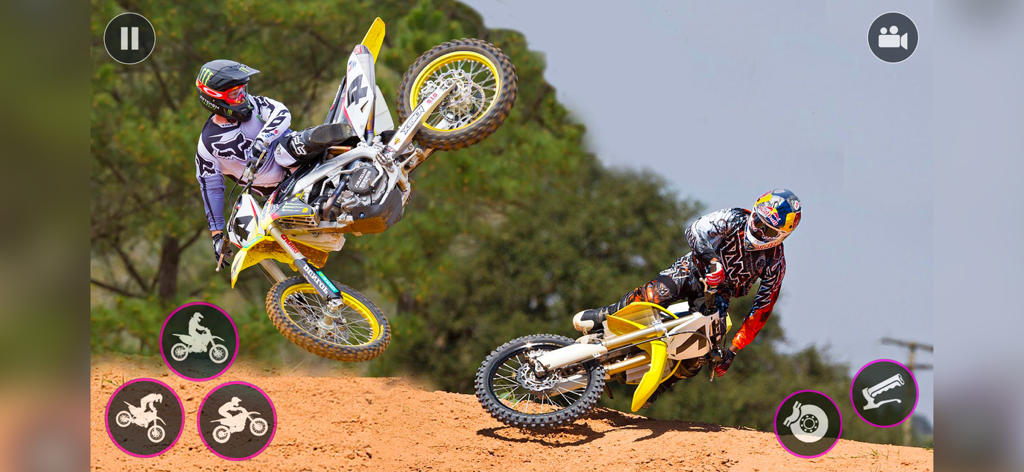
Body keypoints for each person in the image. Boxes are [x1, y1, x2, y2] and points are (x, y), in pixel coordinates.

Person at [573, 189, 802, 382]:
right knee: (652, 295)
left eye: (768, 231)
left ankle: (664, 381)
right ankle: (606, 314)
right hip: (692, 269)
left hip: (721, 293)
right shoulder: (734, 217)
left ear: (783, 235)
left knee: (704, 349)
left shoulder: (776, 263)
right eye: (758, 222)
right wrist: (712, 261)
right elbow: (695, 229)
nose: (759, 231)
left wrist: (733, 349)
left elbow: (761, 310)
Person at [193, 59, 356, 268]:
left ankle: (331, 135)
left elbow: (281, 112)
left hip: (299, 157)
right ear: (215, 99)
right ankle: (300, 285)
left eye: (242, 90)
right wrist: (217, 237)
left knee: (281, 153)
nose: (243, 97)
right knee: (278, 231)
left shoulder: (254, 104)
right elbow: (211, 189)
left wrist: (263, 139)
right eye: (235, 94)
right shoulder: (207, 146)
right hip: (281, 193)